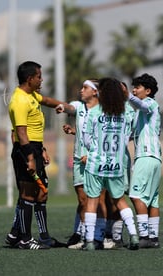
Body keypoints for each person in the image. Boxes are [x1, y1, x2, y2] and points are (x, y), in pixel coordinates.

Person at [5, 60, 67, 249]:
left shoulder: (31, 95)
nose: (42, 80)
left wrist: (65, 106)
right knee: (28, 195)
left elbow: (46, 101)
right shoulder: (20, 100)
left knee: (41, 193)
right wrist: (31, 158)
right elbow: (22, 133)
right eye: (39, 76)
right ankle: (24, 239)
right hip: (25, 151)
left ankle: (30, 236)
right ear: (30, 78)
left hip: (35, 148)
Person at [82, 77, 139, 251]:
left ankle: (90, 241)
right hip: (116, 165)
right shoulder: (124, 114)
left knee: (92, 201)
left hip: (96, 164)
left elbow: (86, 140)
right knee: (120, 201)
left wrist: (96, 150)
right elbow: (127, 138)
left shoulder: (94, 112)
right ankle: (134, 235)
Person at [56, 79, 100, 249]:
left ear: (95, 91)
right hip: (78, 159)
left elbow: (100, 136)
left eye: (85, 87)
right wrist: (62, 107)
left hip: (96, 159)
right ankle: (81, 235)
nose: (81, 90)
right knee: (82, 199)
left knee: (96, 198)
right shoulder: (80, 106)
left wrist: (92, 154)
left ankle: (97, 235)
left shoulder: (102, 111)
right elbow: (70, 107)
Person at [128, 73, 162, 248]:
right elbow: (130, 136)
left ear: (148, 91)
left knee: (136, 195)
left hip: (146, 156)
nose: (134, 90)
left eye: (137, 88)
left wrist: (126, 94)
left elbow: (141, 104)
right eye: (133, 87)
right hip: (154, 157)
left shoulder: (150, 103)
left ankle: (144, 236)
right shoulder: (139, 114)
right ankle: (154, 238)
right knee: (152, 200)